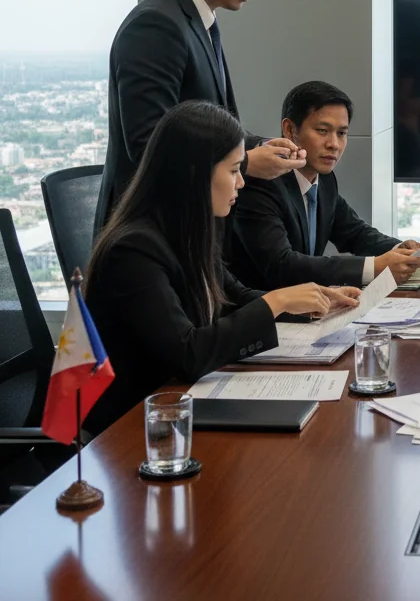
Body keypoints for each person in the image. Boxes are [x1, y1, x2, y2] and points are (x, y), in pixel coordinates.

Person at [83, 101, 358, 435]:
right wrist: (277, 303)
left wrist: (312, 302)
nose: (241, 182)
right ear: (194, 174)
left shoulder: (190, 227)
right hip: (134, 427)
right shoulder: (133, 250)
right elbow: (187, 354)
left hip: (180, 406)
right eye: (233, 171)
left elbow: (233, 296)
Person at [95, 0, 306, 232]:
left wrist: (259, 145)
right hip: (152, 237)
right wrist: (247, 163)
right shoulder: (156, 25)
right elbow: (148, 146)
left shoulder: (199, 20)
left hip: (187, 232)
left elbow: (210, 126)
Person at [231, 80, 420, 289]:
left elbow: (354, 233)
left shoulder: (324, 178)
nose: (334, 144)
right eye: (322, 130)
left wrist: (401, 249)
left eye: (341, 133)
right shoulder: (262, 182)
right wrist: (374, 267)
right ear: (289, 130)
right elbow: (282, 266)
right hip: (263, 313)